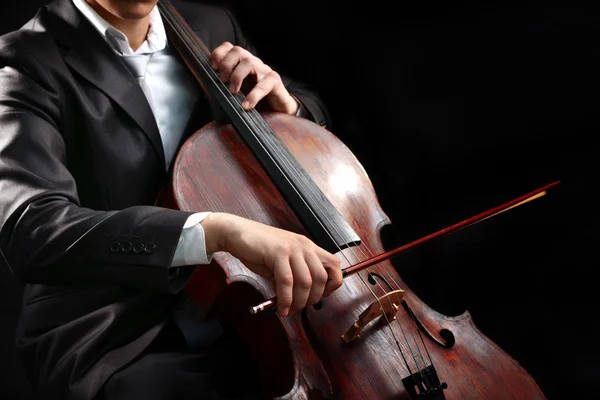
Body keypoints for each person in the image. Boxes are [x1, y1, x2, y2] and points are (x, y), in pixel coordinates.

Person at [0, 0, 344, 399]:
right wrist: (216, 231)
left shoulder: (211, 24)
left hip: (251, 307)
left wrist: (286, 109)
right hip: (118, 333)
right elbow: (33, 228)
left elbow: (302, 113)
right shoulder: (21, 63)